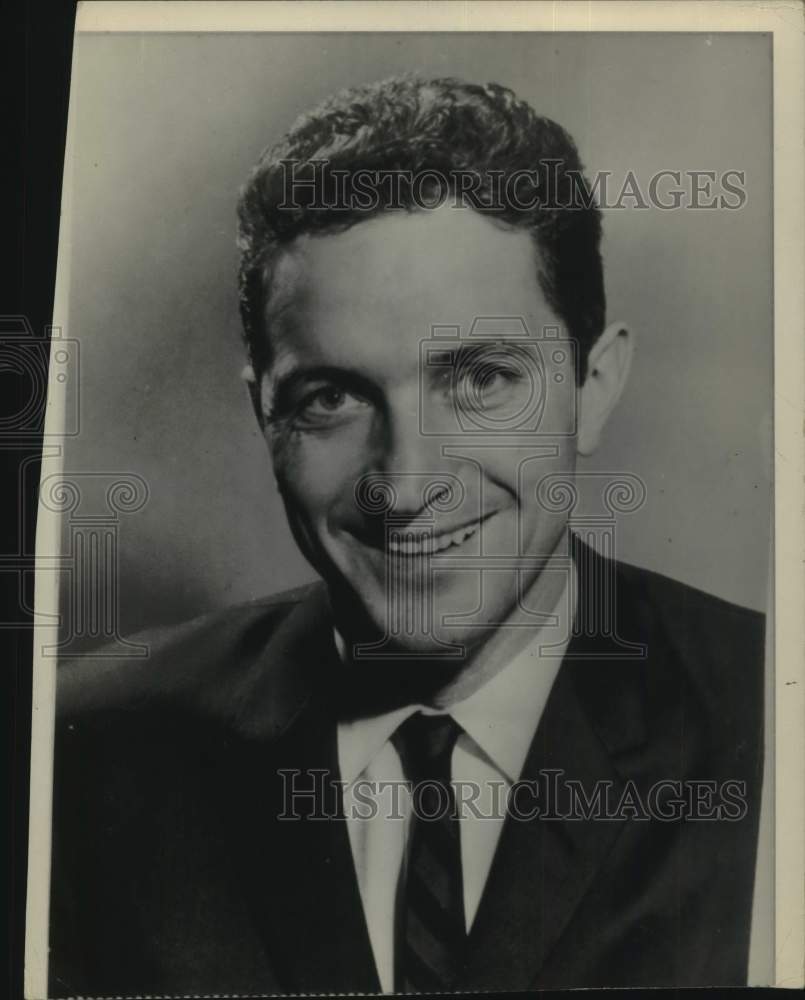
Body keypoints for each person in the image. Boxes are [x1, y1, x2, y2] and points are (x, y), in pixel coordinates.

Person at [49, 76, 764, 996]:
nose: (408, 484)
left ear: (594, 383)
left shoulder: (767, 724)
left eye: (479, 380)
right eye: (333, 398)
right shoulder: (84, 755)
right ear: (264, 416)